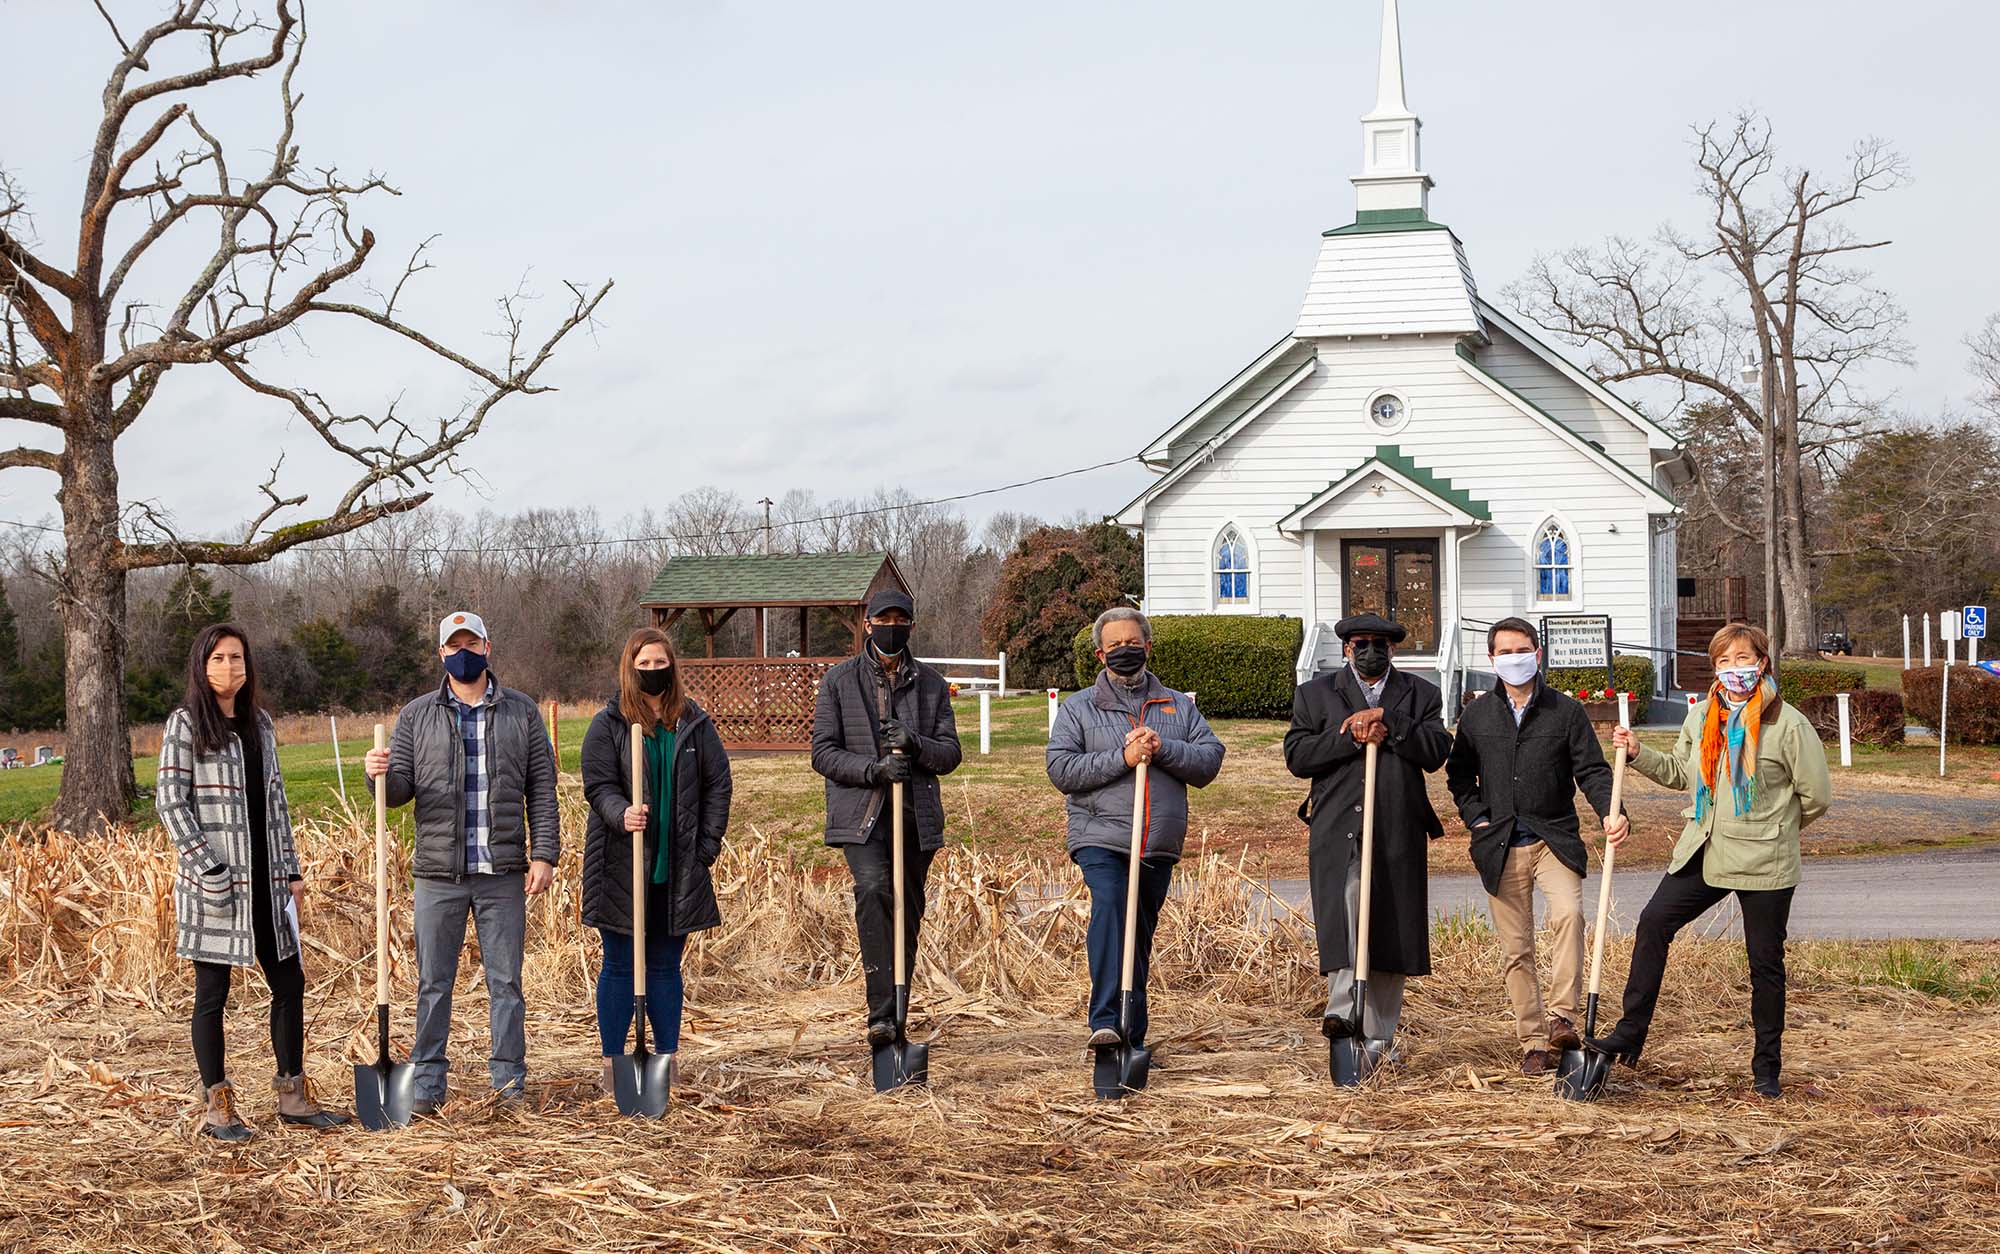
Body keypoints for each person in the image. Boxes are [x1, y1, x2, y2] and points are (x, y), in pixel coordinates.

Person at [1594, 623, 1830, 1098]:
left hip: (1766, 862)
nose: (1734, 669)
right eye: (1723, 661)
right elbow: (1683, 773)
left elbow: (1816, 797)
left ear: (1762, 662)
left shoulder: (1788, 724)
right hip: (1706, 848)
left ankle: (1766, 1069)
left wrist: (1776, 832)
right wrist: (1639, 753)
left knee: (1765, 964)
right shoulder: (1702, 716)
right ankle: (1629, 1033)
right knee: (1653, 922)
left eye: (1743, 659)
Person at [159, 624, 349, 1139]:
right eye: (219, 659)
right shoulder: (186, 725)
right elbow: (171, 803)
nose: (229, 669)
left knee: (289, 983)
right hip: (217, 889)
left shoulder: (259, 724)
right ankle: (218, 1106)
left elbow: (277, 804)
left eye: (237, 659)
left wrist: (290, 870)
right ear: (202, 666)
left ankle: (293, 1097)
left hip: (267, 886)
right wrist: (209, 868)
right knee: (212, 993)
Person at [364, 611, 559, 1113]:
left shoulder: (521, 712)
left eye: (471, 642)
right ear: (441, 655)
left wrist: (544, 853)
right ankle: (427, 1086)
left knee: (506, 983)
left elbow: (542, 788)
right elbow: (399, 791)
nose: (462, 652)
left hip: (502, 873)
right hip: (438, 875)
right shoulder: (417, 715)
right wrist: (376, 775)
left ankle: (508, 1084)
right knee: (433, 983)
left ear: (487, 648)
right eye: (453, 646)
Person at [1445, 617, 1629, 1075]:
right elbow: (1458, 775)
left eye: (1522, 649)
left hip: (1553, 838)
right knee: (1516, 947)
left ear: (1538, 653)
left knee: (1569, 914)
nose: (1514, 658)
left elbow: (1591, 770)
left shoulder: (1565, 712)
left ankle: (1563, 1018)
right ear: (1491, 659)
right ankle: (1533, 1043)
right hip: (1500, 843)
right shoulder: (1478, 715)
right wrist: (1477, 816)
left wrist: (1613, 810)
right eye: (1504, 652)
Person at [1047, 608, 1225, 1051]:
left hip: (1156, 840)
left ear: (1147, 647)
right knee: (1112, 906)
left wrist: (1161, 748)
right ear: (1099, 654)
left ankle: (1132, 1035)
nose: (1124, 651)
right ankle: (1104, 1021)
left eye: (1132, 643)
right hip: (1100, 836)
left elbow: (1208, 761)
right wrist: (1122, 759)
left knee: (1139, 933)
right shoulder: (1079, 708)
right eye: (1114, 646)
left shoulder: (1176, 706)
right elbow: (1061, 769)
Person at [1282, 612, 1451, 1052]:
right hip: (1339, 824)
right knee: (1347, 908)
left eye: (1380, 643)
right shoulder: (1315, 695)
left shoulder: (1421, 695)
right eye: (1361, 644)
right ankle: (1343, 1011)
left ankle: (1378, 1033)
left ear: (1393, 650)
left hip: (1397, 824)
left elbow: (1436, 751)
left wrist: (1390, 722)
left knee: (1391, 924)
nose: (1370, 651)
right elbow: (1298, 756)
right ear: (1346, 649)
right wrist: (1353, 736)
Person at [580, 627, 732, 1093]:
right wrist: (620, 814)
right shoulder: (609, 724)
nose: (652, 672)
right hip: (620, 865)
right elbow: (597, 784)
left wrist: (706, 847)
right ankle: (613, 1063)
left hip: (677, 866)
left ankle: (665, 1058)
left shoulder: (693, 723)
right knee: (621, 964)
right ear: (630, 668)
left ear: (671, 666)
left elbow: (718, 785)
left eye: (658, 664)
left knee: (665, 967)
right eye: (643, 665)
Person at [809, 587, 963, 1044]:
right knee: (874, 890)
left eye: (900, 619)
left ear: (911, 626)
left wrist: (915, 744)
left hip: (915, 814)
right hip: (862, 814)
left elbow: (951, 753)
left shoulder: (931, 684)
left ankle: (899, 1012)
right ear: (867, 625)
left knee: (908, 912)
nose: (891, 627)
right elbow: (823, 753)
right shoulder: (839, 682)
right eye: (883, 619)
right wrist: (873, 770)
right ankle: (879, 1015)